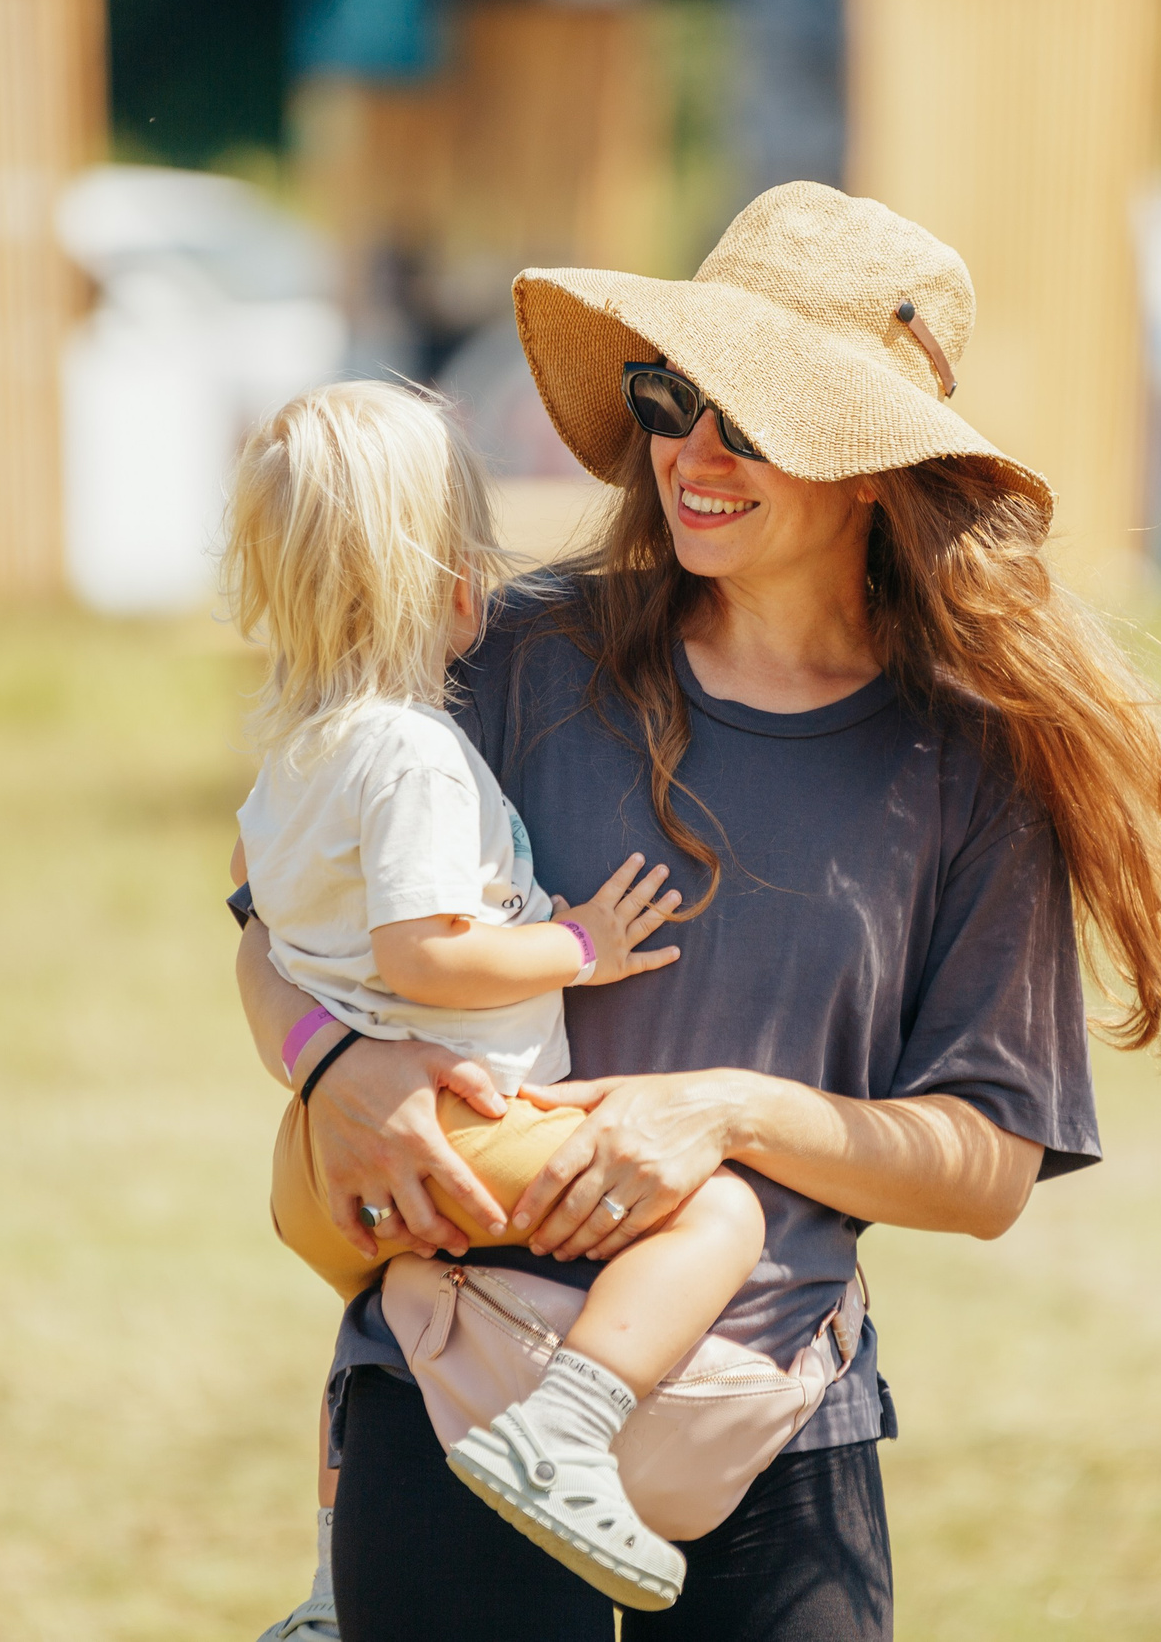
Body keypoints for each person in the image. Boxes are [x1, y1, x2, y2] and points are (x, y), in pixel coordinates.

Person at [232, 181, 1161, 1640]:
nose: (694, 451)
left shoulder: (971, 765)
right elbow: (273, 928)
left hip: (774, 1415)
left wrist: (729, 1113)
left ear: (870, 467)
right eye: (671, 399)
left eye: (752, 416)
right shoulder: (511, 657)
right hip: (453, 1374)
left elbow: (985, 1171)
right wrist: (333, 1064)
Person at [229, 380, 771, 1629]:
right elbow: (425, 955)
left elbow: (274, 919)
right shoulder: (414, 754)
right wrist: (575, 944)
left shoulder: (293, 758)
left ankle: (332, 1587)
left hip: (316, 1163)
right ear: (455, 583)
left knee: (384, 1331)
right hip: (462, 1124)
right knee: (721, 1211)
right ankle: (567, 1432)